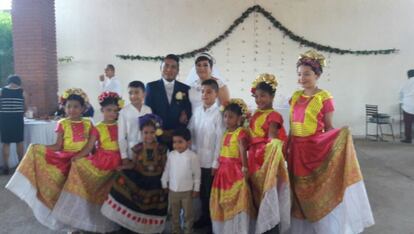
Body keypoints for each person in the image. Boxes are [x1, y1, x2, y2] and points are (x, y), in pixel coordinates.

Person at [288, 50, 374, 234]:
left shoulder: (324, 97)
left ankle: (324, 226)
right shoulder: (295, 97)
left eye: (307, 74)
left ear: (317, 75)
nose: (302, 78)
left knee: (317, 189)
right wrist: (287, 146)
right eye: (300, 74)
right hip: (296, 150)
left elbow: (328, 127)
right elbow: (291, 126)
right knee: (299, 189)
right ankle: (305, 227)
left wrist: (340, 136)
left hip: (314, 149)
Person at [5, 88, 93, 231]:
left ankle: (84, 222)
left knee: (82, 195)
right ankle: (71, 225)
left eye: (76, 106)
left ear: (83, 108)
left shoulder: (88, 123)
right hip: (66, 161)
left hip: (83, 160)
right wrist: (39, 147)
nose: (72, 110)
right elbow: (58, 145)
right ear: (64, 108)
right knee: (66, 193)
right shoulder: (62, 123)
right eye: (69, 106)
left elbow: (90, 146)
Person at [52, 92, 123, 233]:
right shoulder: (97, 127)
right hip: (102, 162)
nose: (112, 113)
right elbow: (90, 146)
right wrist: (78, 157)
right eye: (109, 110)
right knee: (94, 192)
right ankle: (83, 222)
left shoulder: (121, 125)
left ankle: (116, 221)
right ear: (102, 110)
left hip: (118, 162)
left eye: (115, 111)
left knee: (114, 193)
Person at [102, 114, 169, 233]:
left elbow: (165, 167)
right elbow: (133, 164)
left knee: (152, 207)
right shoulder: (137, 148)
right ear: (141, 133)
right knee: (126, 188)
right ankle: (133, 226)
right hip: (141, 179)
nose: (149, 135)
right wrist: (122, 167)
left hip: (156, 182)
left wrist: (166, 183)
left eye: (152, 132)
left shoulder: (162, 149)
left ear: (157, 132)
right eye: (146, 132)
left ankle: (150, 229)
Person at [248, 73, 290, 234]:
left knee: (268, 191)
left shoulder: (274, 115)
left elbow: (272, 136)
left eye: (263, 96)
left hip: (265, 158)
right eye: (257, 97)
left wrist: (268, 149)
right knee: (256, 192)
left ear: (272, 96)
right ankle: (260, 224)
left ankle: (270, 226)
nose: (259, 100)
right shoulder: (256, 114)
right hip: (253, 157)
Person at [210, 99, 256, 234]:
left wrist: (245, 168)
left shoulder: (240, 133)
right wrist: (216, 165)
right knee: (222, 200)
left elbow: (242, 150)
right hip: (223, 171)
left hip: (235, 170)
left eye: (231, 117)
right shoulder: (225, 133)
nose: (227, 119)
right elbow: (220, 151)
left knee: (238, 200)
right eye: (225, 116)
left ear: (239, 119)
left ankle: (237, 229)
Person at [187, 79, 224, 230]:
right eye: (202, 91)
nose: (205, 94)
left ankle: (211, 221)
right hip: (197, 160)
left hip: (210, 162)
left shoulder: (219, 114)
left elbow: (220, 141)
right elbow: (190, 132)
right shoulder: (197, 111)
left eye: (209, 92)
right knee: (200, 192)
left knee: (209, 194)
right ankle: (204, 218)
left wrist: (216, 163)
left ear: (216, 94)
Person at [145, 54, 192, 149]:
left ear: (178, 71)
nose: (169, 69)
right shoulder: (151, 87)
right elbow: (148, 112)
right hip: (157, 136)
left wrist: (176, 130)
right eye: (166, 65)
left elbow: (188, 112)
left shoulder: (185, 89)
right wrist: (160, 131)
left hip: (178, 138)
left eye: (173, 67)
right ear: (160, 68)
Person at [161, 128, 201, 234]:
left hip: (187, 191)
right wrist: (164, 183)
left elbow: (197, 174)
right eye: (174, 142)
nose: (177, 145)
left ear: (188, 142)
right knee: (174, 214)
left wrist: (196, 189)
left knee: (188, 215)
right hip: (173, 191)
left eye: (180, 142)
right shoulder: (171, 155)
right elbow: (167, 170)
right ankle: (175, 231)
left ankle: (188, 230)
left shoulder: (193, 157)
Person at [118, 81, 152, 162]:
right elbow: (121, 136)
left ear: (144, 94)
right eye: (130, 93)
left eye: (137, 92)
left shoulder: (148, 110)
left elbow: (151, 130)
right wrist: (124, 156)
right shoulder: (124, 112)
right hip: (131, 151)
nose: (133, 96)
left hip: (146, 149)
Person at [0, 75, 25, 175]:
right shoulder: (22, 92)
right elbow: (26, 107)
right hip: (18, 119)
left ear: (8, 81)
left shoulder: (1, 91)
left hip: (5, 119)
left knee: (6, 142)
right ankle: (21, 165)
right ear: (19, 82)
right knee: (19, 142)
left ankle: (6, 166)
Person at [399, 69, 414, 143]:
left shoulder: (406, 83)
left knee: (408, 123)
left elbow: (401, 93)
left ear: (408, 75)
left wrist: (402, 102)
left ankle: (408, 139)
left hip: (408, 106)